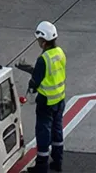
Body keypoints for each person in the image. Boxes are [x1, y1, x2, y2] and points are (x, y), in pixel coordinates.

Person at [28, 21, 67, 172]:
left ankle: (41, 167)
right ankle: (58, 162)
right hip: (60, 99)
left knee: (43, 133)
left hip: (46, 102)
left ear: (44, 42)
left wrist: (31, 85)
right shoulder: (60, 53)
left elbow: (35, 82)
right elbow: (54, 73)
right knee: (57, 131)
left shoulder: (43, 59)